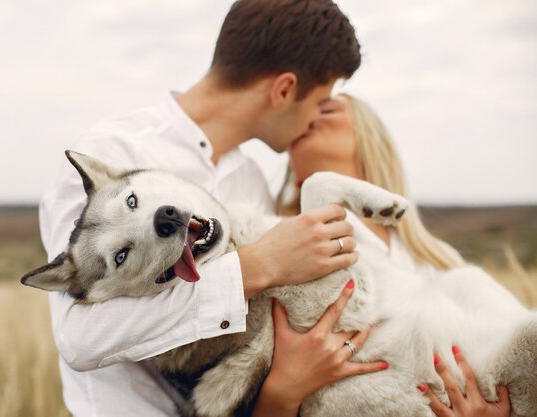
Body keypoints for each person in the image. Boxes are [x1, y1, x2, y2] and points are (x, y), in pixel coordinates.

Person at [39, 2, 387, 416]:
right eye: (320, 101)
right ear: (284, 90)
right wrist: (256, 266)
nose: (314, 119)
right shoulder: (111, 154)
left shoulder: (250, 180)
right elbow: (80, 336)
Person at [277, 92, 512, 417]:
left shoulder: (437, 259)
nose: (307, 117)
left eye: (327, 109)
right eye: (301, 113)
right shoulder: (280, 240)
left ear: (368, 136)